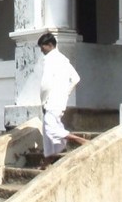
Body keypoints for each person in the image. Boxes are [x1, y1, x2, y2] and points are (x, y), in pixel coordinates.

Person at [37, 32, 87, 169]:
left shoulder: (50, 59)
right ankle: (47, 161)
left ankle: (79, 140)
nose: (41, 50)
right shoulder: (63, 59)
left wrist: (43, 100)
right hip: (60, 100)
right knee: (48, 135)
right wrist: (66, 92)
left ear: (50, 45)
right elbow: (76, 78)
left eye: (43, 47)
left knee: (51, 130)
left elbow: (45, 84)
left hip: (51, 101)